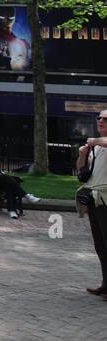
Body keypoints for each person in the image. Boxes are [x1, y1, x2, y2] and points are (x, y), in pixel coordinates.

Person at [77, 111, 107, 297]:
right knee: (100, 244)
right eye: (99, 118)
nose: (101, 121)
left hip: (105, 199)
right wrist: (83, 155)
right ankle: (106, 284)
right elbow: (83, 172)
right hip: (95, 199)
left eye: (106, 119)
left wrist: (94, 141)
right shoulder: (96, 147)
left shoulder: (99, 143)